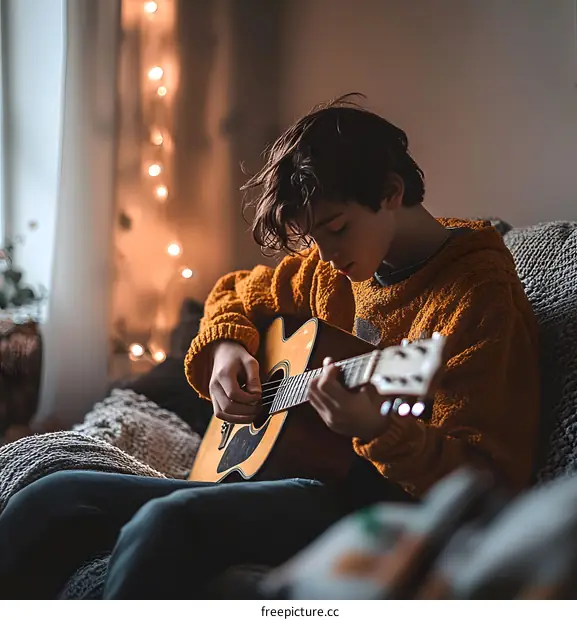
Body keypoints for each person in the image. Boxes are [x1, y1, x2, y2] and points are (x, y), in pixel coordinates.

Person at [0, 93, 540, 600]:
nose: (325, 257)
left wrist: (377, 430)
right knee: (53, 497)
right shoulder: (337, 265)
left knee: (165, 523)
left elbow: (486, 481)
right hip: (290, 475)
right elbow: (236, 291)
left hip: (366, 502)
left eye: (336, 227)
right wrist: (227, 350)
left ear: (391, 192)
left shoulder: (477, 296)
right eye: (314, 239)